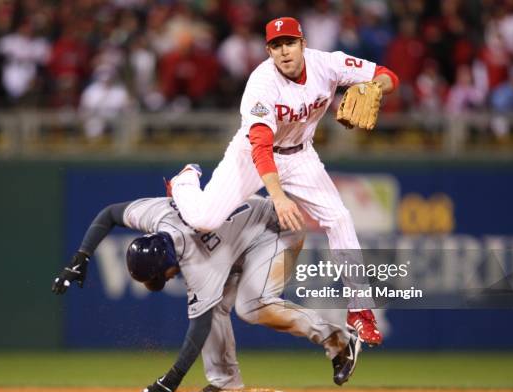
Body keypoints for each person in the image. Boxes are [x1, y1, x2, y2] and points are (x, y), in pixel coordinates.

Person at [169, 17, 399, 346]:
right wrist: (277, 195)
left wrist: (376, 87)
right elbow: (261, 147)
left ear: (303, 43)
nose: (284, 52)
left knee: (340, 218)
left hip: (300, 156)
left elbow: (389, 75)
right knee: (204, 219)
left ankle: (360, 310)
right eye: (276, 46)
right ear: (269, 51)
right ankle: (185, 181)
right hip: (252, 154)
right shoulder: (261, 84)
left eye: (289, 43)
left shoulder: (329, 64)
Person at [51, 194, 361, 392]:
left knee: (252, 306)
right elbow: (109, 215)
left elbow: (198, 327)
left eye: (163, 275)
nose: (169, 278)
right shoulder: (156, 216)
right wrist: (80, 258)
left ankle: (339, 341)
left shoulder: (199, 263)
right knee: (217, 309)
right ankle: (224, 383)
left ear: (168, 265)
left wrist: (172, 379)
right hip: (240, 237)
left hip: (276, 228)